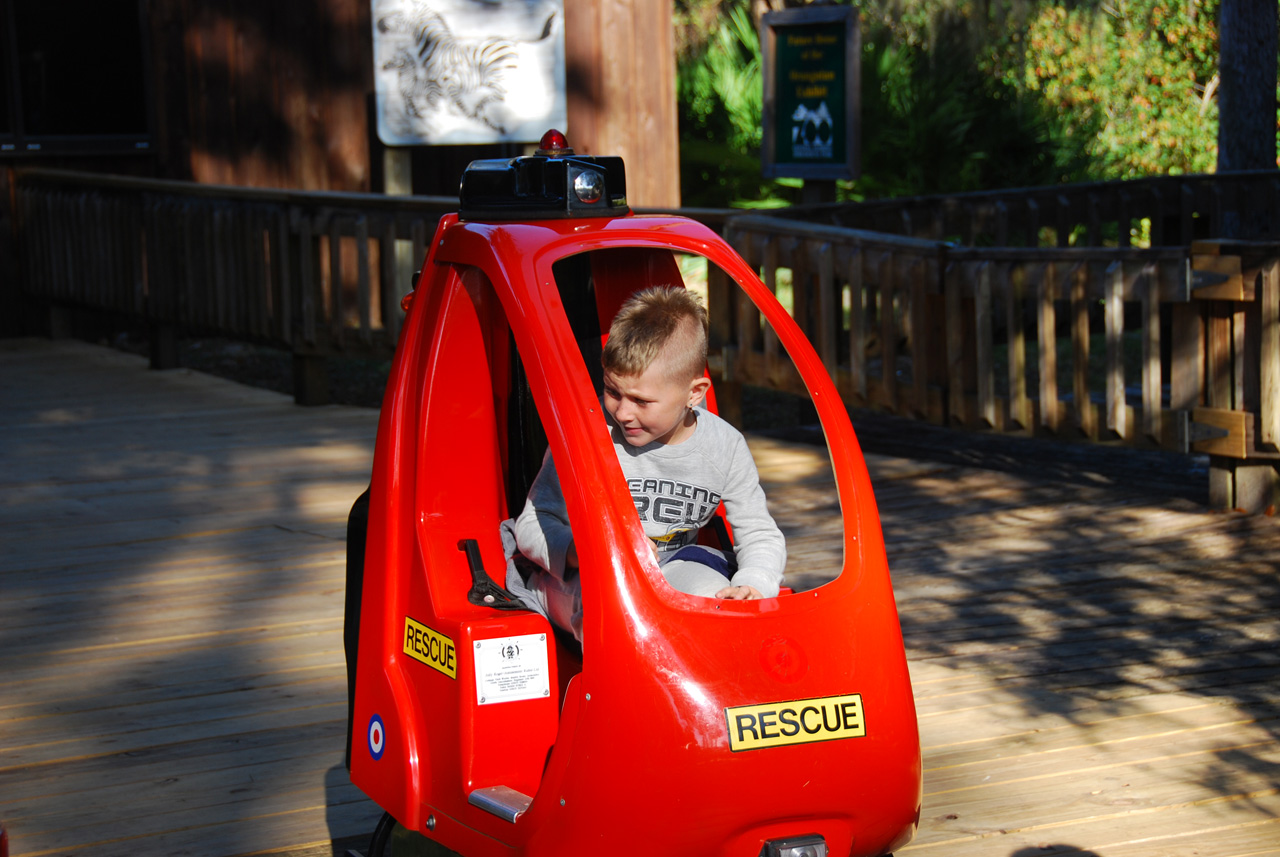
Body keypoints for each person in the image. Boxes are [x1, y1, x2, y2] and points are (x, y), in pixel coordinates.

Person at [506, 286, 786, 641]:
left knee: (714, 607)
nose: (623, 412)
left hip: (674, 565)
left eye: (641, 400)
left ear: (694, 394)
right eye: (612, 391)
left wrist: (754, 583)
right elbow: (534, 520)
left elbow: (759, 532)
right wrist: (579, 550)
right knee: (615, 608)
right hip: (587, 578)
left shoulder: (725, 447)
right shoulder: (588, 433)